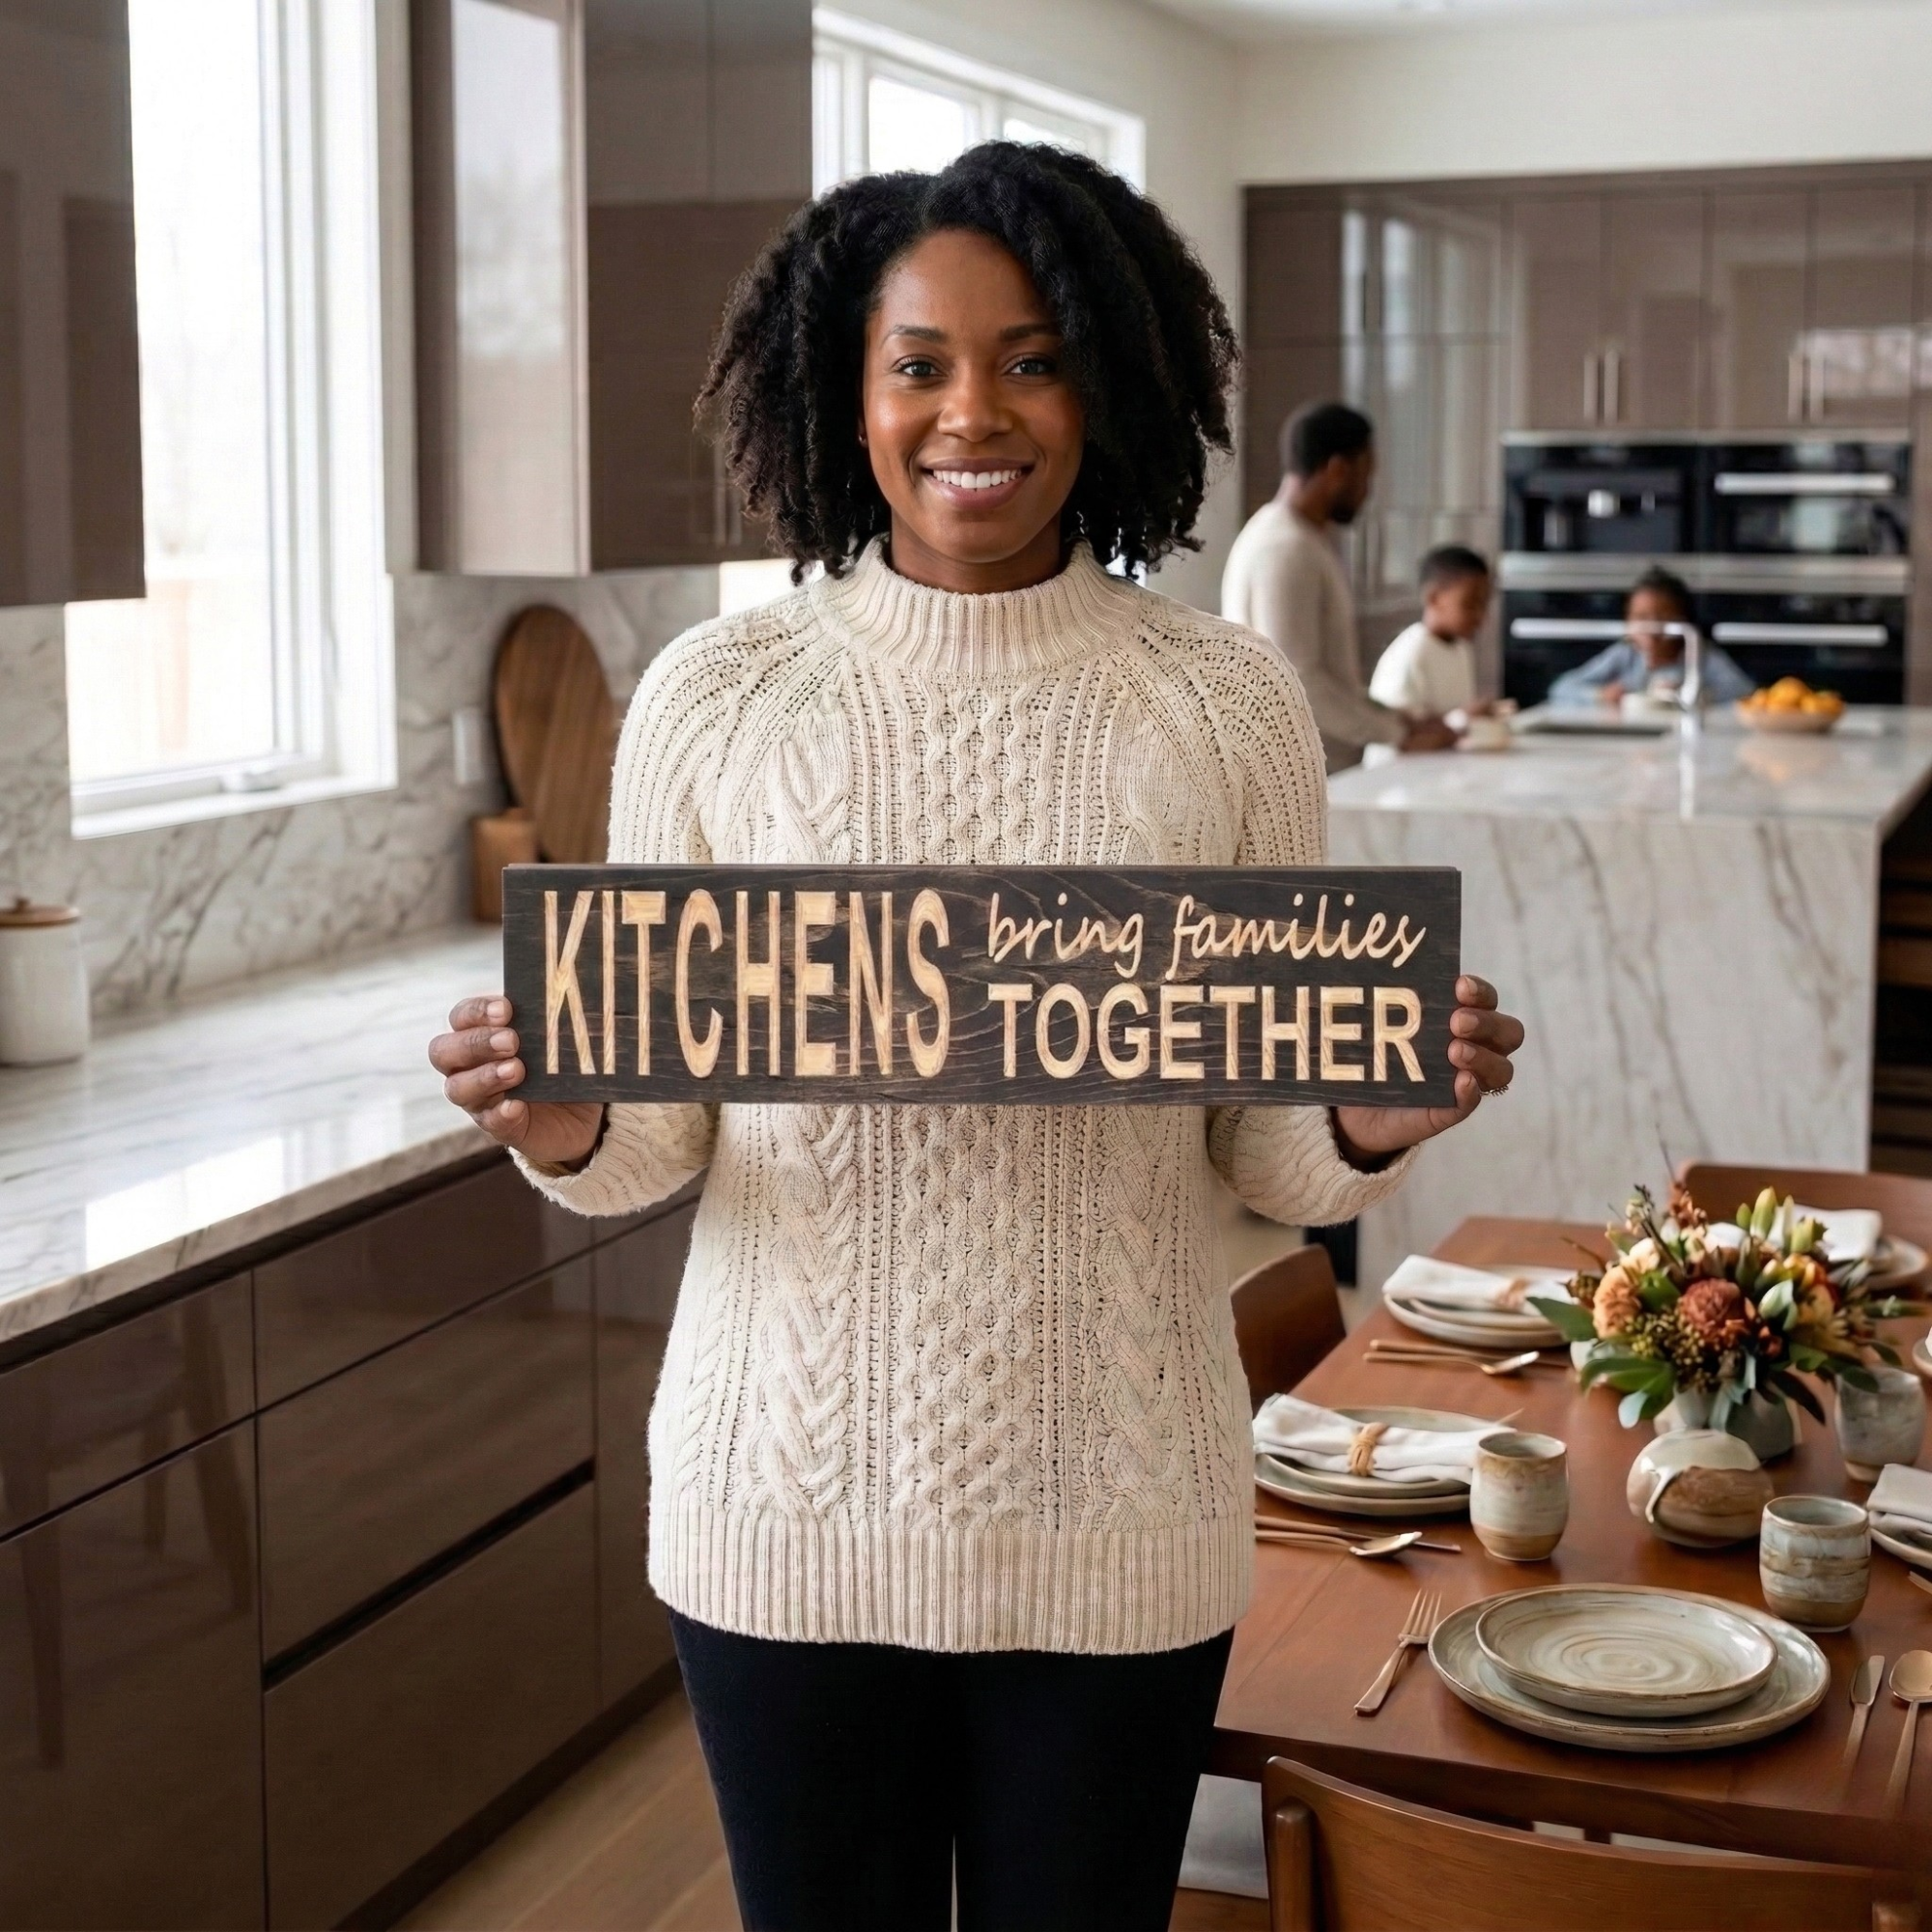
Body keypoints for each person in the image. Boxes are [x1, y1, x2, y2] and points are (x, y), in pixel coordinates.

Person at [429, 143, 1523, 1932]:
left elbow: (1256, 1146)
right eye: (918, 361)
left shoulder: (1223, 699)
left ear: (1106, 371)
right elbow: (656, 1140)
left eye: (1030, 356)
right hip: (781, 1506)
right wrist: (557, 1119)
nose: (972, 414)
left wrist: (1371, 1121)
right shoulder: (719, 694)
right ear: (844, 392)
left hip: (1118, 1507)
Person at [1221, 401, 1456, 771]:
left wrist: (1400, 718)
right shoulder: (1286, 547)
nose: (1368, 491)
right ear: (1336, 470)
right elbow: (1302, 681)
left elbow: (1328, 679)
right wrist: (1399, 735)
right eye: (1366, 476)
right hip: (1298, 779)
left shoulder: (1295, 537)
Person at [1547, 564, 1754, 708]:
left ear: (1683, 620)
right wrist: (1600, 695)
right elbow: (1562, 688)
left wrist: (1691, 693)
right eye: (1641, 617)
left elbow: (1745, 692)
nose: (1652, 627)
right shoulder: (1625, 655)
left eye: (1664, 617)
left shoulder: (1700, 656)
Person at [1369, 543, 1492, 724]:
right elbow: (1397, 731)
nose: (1480, 616)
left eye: (1484, 604)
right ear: (1433, 598)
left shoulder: (1461, 648)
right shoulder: (1411, 653)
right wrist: (1463, 717)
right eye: (1470, 604)